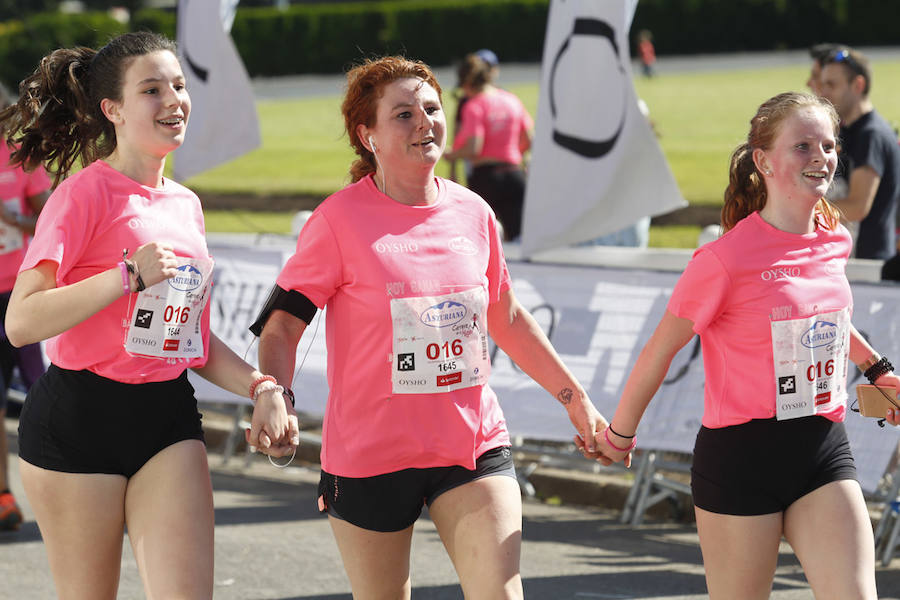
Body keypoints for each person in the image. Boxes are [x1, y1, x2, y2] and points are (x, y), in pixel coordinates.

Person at [250, 56, 614, 599]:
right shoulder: (337, 222)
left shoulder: (474, 213)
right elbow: (280, 327)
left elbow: (506, 318)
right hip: (370, 455)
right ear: (366, 134)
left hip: (470, 445)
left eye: (431, 108)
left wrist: (575, 398)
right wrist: (273, 394)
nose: (424, 121)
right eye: (403, 114)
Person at [0, 31, 297, 598]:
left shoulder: (186, 204)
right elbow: (22, 321)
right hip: (77, 423)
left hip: (165, 418)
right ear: (112, 109)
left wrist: (262, 387)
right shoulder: (81, 195)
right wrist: (125, 277)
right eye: (152, 89)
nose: (173, 101)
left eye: (180, 86)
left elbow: (189, 340)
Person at [592, 92, 900, 599]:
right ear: (763, 161)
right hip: (741, 459)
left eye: (828, 145)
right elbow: (660, 350)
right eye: (802, 146)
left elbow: (829, 320)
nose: (820, 157)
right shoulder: (723, 260)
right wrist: (620, 436)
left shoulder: (832, 238)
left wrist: (877, 370)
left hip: (821, 446)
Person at [0, 81, 51, 532]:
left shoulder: (19, 154)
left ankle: (70, 483)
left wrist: (15, 219)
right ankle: (3, 496)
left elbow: (49, 217)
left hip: (20, 292)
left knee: (43, 389)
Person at [819, 47, 900, 263]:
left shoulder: (871, 135)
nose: (822, 92)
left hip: (867, 263)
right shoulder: (849, 131)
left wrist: (802, 209)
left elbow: (857, 206)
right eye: (822, 84)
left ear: (858, 85)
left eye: (831, 85)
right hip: (852, 256)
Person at [442, 51, 533, 241]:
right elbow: (527, 139)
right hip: (515, 175)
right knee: (518, 238)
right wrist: (511, 153)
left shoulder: (474, 105)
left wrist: (452, 155)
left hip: (486, 178)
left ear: (466, 84)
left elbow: (474, 147)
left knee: (483, 239)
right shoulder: (511, 99)